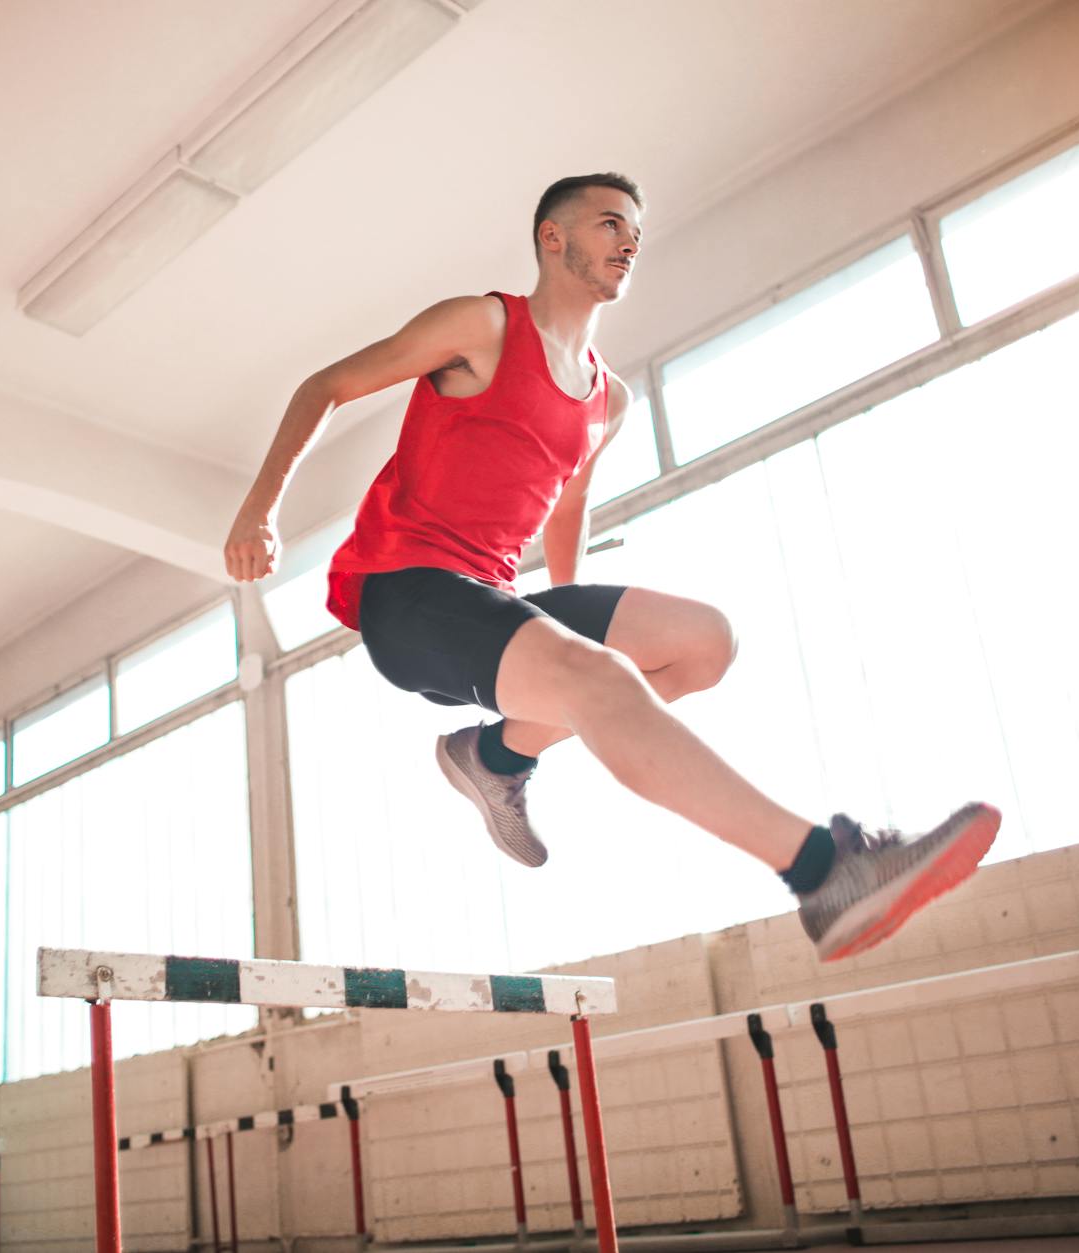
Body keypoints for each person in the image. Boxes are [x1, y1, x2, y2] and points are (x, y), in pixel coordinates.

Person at [223, 173, 998, 961]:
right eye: (608, 224)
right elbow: (329, 385)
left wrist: (564, 619)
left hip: (490, 593)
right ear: (553, 238)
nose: (629, 241)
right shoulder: (484, 324)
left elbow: (566, 506)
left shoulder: (608, 397)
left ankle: (495, 755)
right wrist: (260, 508)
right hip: (411, 595)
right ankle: (824, 872)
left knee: (703, 643)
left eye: (635, 231)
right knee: (597, 679)